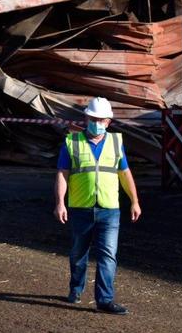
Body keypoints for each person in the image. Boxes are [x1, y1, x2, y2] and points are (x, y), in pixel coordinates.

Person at [54, 96, 141, 315]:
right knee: (78, 253)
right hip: (80, 208)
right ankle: (76, 288)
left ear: (108, 122)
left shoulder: (115, 143)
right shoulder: (72, 143)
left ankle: (105, 299)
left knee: (108, 255)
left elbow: (124, 173)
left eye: (101, 119)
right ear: (86, 118)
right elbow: (63, 174)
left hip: (109, 209)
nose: (97, 122)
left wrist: (135, 201)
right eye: (93, 118)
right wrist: (60, 203)